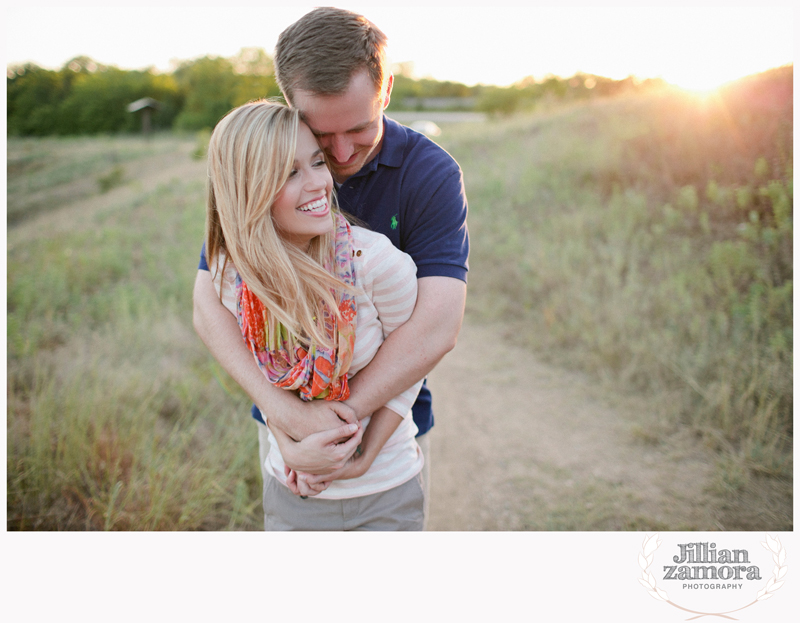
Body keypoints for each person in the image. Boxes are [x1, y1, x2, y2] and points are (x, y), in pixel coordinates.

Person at [192, 7, 469, 527]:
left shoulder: (429, 173)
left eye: (360, 128)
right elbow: (210, 302)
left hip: (388, 422)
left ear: (385, 90)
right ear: (290, 104)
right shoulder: (266, 168)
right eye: (321, 136)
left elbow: (435, 325)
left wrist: (344, 429)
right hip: (284, 427)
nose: (340, 155)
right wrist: (289, 420)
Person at [207, 100, 426, 529]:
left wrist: (360, 455)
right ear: (247, 190)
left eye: (316, 163)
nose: (318, 184)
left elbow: (414, 363)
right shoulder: (234, 276)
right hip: (291, 487)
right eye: (289, 173)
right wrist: (288, 445)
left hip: (383, 489)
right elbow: (261, 374)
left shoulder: (376, 262)